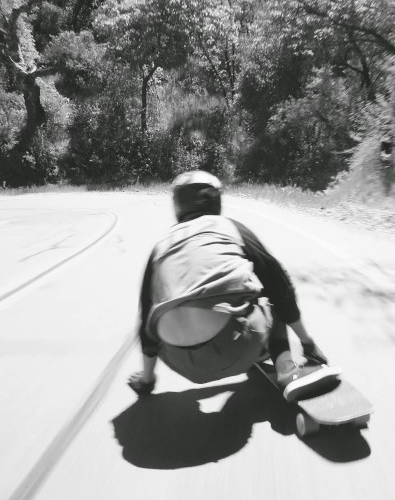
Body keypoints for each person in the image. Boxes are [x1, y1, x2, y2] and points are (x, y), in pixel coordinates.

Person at [128, 171, 340, 402]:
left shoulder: (160, 247)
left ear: (178, 205)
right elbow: (280, 286)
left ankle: (255, 349)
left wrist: (147, 379)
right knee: (271, 297)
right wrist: (307, 344)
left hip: (181, 363)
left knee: (160, 314)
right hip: (236, 347)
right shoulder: (229, 227)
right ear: (215, 201)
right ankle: (288, 371)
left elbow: (145, 320)